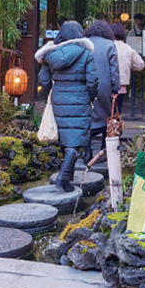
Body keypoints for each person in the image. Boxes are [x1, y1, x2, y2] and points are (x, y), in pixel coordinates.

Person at [35, 21, 99, 192]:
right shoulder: (86, 54)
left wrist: (53, 92)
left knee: (65, 136)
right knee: (75, 139)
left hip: (58, 97)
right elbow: (92, 81)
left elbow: (44, 80)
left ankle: (68, 175)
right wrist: (90, 96)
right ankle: (63, 177)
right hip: (80, 97)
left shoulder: (51, 54)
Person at [83, 20, 119, 160]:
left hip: (86, 85)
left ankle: (87, 152)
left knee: (87, 117)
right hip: (104, 86)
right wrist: (115, 87)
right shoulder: (110, 45)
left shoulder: (84, 43)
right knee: (106, 118)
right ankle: (104, 151)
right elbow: (114, 69)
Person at [111, 23, 145, 113]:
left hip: (106, 86)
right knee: (117, 113)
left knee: (105, 113)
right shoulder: (127, 48)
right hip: (121, 86)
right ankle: (116, 126)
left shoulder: (107, 46)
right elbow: (140, 65)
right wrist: (130, 66)